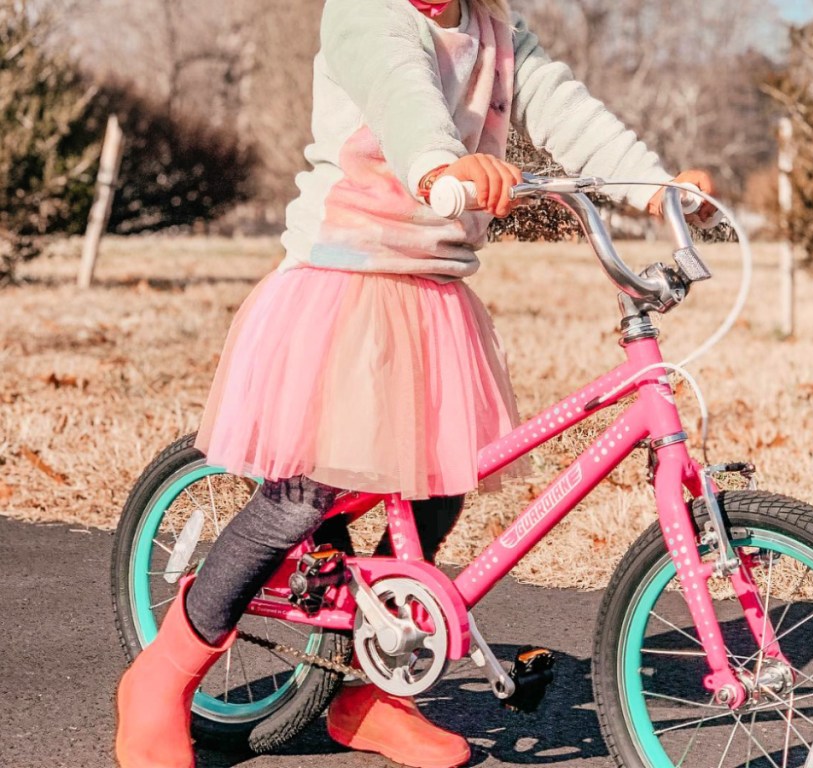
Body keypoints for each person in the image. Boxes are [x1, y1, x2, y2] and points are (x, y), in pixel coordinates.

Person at [113, 0, 717, 766]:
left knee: (438, 485)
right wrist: (443, 164)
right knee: (307, 493)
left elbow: (563, 103)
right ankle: (160, 680)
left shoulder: (493, 27)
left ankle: (368, 693)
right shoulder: (369, 14)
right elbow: (404, 95)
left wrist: (654, 187)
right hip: (347, 279)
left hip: (433, 290)